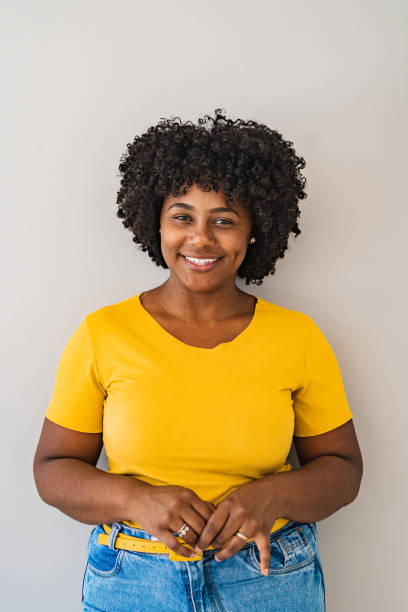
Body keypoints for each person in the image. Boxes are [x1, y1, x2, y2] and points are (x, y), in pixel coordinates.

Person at [33, 108, 363, 612]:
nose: (200, 239)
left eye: (224, 220)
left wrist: (271, 496)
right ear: (157, 223)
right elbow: (52, 469)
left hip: (268, 577)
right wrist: (133, 500)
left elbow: (343, 470)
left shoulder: (296, 335)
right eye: (182, 216)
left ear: (255, 231)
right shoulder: (104, 333)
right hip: (134, 580)